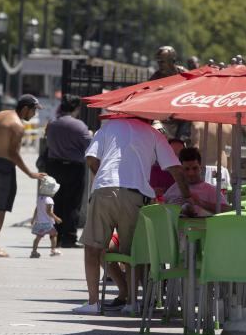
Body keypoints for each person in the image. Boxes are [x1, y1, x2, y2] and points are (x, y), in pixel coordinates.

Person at [73, 116, 190, 315]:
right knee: (133, 253)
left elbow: (91, 159)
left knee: (92, 248)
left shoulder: (109, 126)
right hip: (135, 195)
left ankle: (93, 302)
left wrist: (102, 175)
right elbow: (176, 169)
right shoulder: (154, 134)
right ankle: (132, 303)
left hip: (104, 190)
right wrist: (188, 197)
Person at [0, 93, 47, 257]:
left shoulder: (0, 115)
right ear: (25, 109)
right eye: (33, 110)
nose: (35, 114)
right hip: (4, 167)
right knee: (0, 209)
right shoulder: (18, 125)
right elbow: (12, 153)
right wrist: (30, 173)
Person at [43, 94, 92, 248]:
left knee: (56, 201)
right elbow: (89, 146)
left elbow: (48, 142)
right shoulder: (79, 126)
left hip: (54, 166)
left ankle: (55, 235)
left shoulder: (52, 124)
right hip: (73, 167)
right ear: (76, 108)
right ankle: (69, 237)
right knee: (72, 204)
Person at [162, 146, 231, 215]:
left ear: (200, 167)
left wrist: (200, 202)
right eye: (186, 169)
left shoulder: (210, 190)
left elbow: (227, 210)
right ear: (181, 169)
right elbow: (162, 207)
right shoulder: (174, 188)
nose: (191, 173)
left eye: (195, 168)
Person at [31, 176, 62, 258]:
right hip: (47, 223)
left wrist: (33, 218)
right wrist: (56, 218)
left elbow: (37, 209)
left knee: (38, 237)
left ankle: (34, 251)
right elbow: (49, 212)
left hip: (39, 222)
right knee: (54, 234)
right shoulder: (49, 200)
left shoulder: (40, 198)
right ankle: (53, 250)